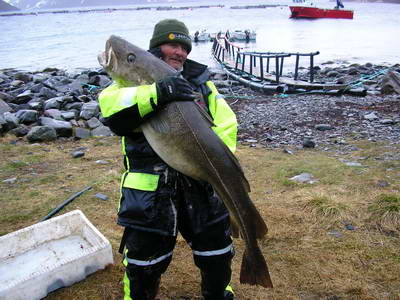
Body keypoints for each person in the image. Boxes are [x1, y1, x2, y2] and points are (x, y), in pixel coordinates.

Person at [98, 19, 238, 300]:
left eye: (185, 47)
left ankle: (219, 294)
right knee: (143, 263)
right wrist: (157, 93)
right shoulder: (124, 86)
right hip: (150, 192)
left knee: (217, 252)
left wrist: (213, 165)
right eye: (173, 44)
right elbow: (112, 111)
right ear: (154, 48)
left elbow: (227, 125)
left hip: (201, 184)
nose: (180, 52)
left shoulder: (202, 85)